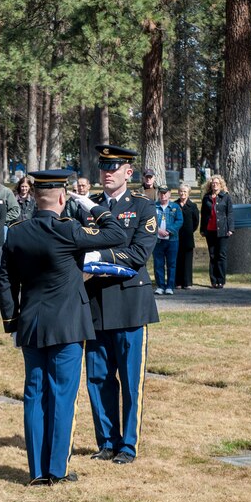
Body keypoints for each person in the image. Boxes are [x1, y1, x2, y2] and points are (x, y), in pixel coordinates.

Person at [0, 170, 125, 486]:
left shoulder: (16, 232)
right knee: (62, 396)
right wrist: (92, 206)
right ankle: (57, 469)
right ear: (61, 197)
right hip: (67, 325)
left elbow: (3, 278)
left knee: (35, 394)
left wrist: (12, 320)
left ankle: (37, 471)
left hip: (31, 324)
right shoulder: (69, 230)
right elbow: (117, 233)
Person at [81, 145, 159, 465]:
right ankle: (107, 442)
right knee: (98, 377)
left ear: (129, 172)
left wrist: (97, 257)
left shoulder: (142, 207)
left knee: (129, 381)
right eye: (103, 167)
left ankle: (128, 446)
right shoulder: (91, 206)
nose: (107, 172)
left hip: (129, 303)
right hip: (96, 303)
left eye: (114, 167)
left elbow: (138, 255)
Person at [199, 174, 234, 289]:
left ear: (221, 185)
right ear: (210, 185)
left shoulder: (226, 197)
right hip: (210, 230)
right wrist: (202, 229)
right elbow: (203, 215)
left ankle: (221, 280)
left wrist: (230, 228)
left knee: (221, 255)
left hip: (223, 230)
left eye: (217, 183)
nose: (215, 185)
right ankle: (213, 280)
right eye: (213, 183)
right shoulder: (206, 197)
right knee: (213, 255)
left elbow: (230, 213)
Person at [152, 186, 183, 296]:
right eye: (161, 193)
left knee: (171, 264)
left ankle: (170, 286)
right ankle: (160, 286)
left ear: (169, 194)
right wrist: (158, 230)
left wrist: (169, 231)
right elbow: (149, 220)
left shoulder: (175, 207)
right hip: (158, 241)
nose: (163, 195)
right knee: (158, 263)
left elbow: (179, 221)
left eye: (165, 193)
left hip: (172, 240)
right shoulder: (153, 206)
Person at [174, 184, 200, 289]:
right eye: (181, 191)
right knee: (177, 260)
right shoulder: (174, 205)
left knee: (187, 261)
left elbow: (196, 222)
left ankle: (187, 282)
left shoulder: (193, 206)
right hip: (176, 237)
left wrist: (189, 230)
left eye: (185, 191)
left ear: (188, 193)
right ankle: (178, 282)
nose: (182, 193)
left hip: (188, 237)